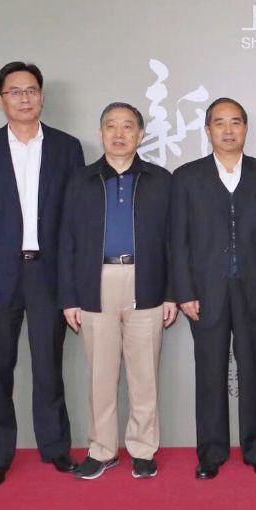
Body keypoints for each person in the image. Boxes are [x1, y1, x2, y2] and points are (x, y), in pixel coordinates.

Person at [0, 61, 84, 486]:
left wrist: (72, 283)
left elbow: (75, 221)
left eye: (31, 90)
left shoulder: (67, 148)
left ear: (42, 96)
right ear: (0, 100)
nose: (24, 98)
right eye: (14, 92)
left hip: (48, 272)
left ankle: (56, 447)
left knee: (49, 364)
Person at [60, 103, 177, 481]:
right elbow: (66, 242)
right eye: (111, 126)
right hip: (95, 283)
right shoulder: (81, 180)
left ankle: (143, 449)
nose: (119, 134)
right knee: (101, 375)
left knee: (145, 375)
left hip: (147, 282)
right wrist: (69, 297)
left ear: (140, 134)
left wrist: (171, 293)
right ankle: (102, 449)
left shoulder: (160, 180)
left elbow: (174, 242)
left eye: (128, 127)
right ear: (101, 133)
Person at [170, 97, 256, 479]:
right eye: (219, 123)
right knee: (210, 373)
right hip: (205, 293)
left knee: (254, 372)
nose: (228, 130)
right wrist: (184, 291)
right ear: (208, 130)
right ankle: (211, 453)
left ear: (246, 128)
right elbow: (178, 240)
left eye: (235, 122)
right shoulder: (187, 177)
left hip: (254, 291)